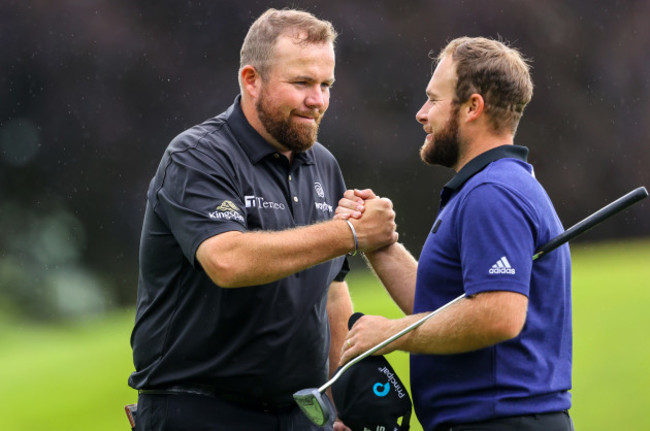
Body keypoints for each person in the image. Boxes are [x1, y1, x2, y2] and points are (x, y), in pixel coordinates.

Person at [128, 8, 398, 431]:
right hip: (198, 411)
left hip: (301, 415)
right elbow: (228, 260)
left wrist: (339, 400)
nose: (318, 100)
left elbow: (331, 294)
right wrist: (349, 232)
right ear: (251, 79)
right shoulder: (198, 156)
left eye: (326, 85)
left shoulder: (323, 165)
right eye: (302, 83)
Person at [337, 37, 574, 430]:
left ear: (472, 108)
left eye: (433, 100)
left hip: (500, 422)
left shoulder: (491, 194)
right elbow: (443, 306)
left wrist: (391, 334)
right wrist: (378, 244)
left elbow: (498, 313)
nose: (421, 113)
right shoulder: (491, 187)